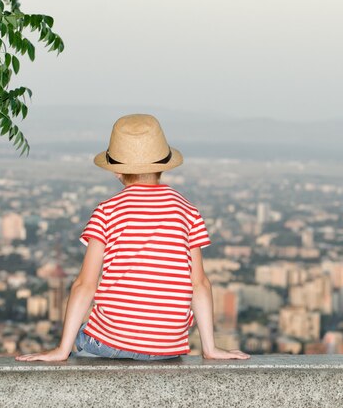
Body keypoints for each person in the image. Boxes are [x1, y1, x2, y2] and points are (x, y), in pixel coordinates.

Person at [16, 114, 250, 362]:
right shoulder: (187, 211)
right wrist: (210, 349)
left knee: (86, 334)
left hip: (111, 344)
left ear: (117, 170)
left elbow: (84, 285)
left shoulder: (108, 210)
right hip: (167, 348)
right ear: (164, 165)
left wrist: (62, 350)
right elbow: (200, 284)